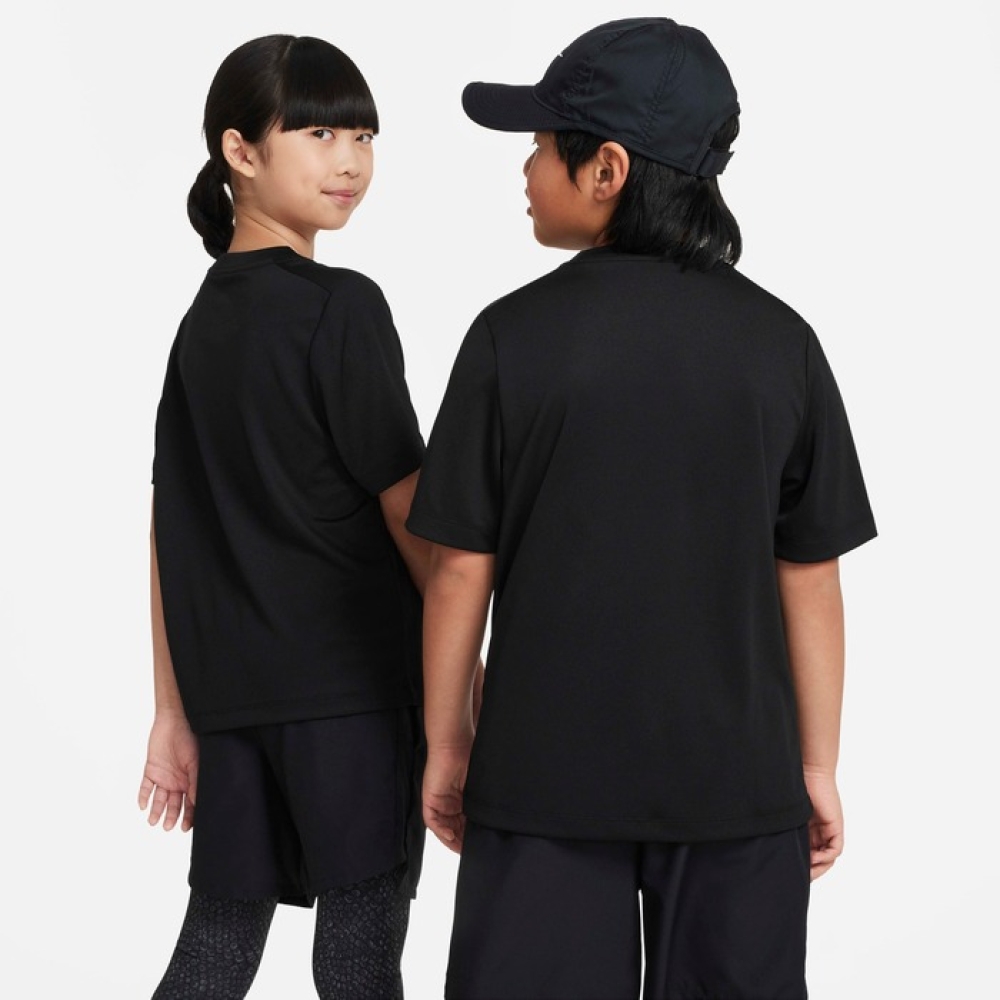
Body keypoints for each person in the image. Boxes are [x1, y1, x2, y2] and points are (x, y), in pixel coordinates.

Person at [406, 16, 877, 1000]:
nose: (526, 168)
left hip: (540, 781)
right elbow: (810, 575)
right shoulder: (782, 344)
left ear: (607, 169)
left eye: (542, 146)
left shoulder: (508, 339)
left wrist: (447, 744)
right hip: (736, 782)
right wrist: (815, 765)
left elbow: (458, 570)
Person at [137, 34, 431, 999]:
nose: (350, 161)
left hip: (234, 701)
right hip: (354, 694)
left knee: (217, 946)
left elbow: (169, 531)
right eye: (318, 133)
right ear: (241, 151)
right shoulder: (341, 308)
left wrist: (174, 711)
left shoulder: (200, 324)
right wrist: (460, 660)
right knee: (358, 960)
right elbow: (411, 511)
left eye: (363, 136)